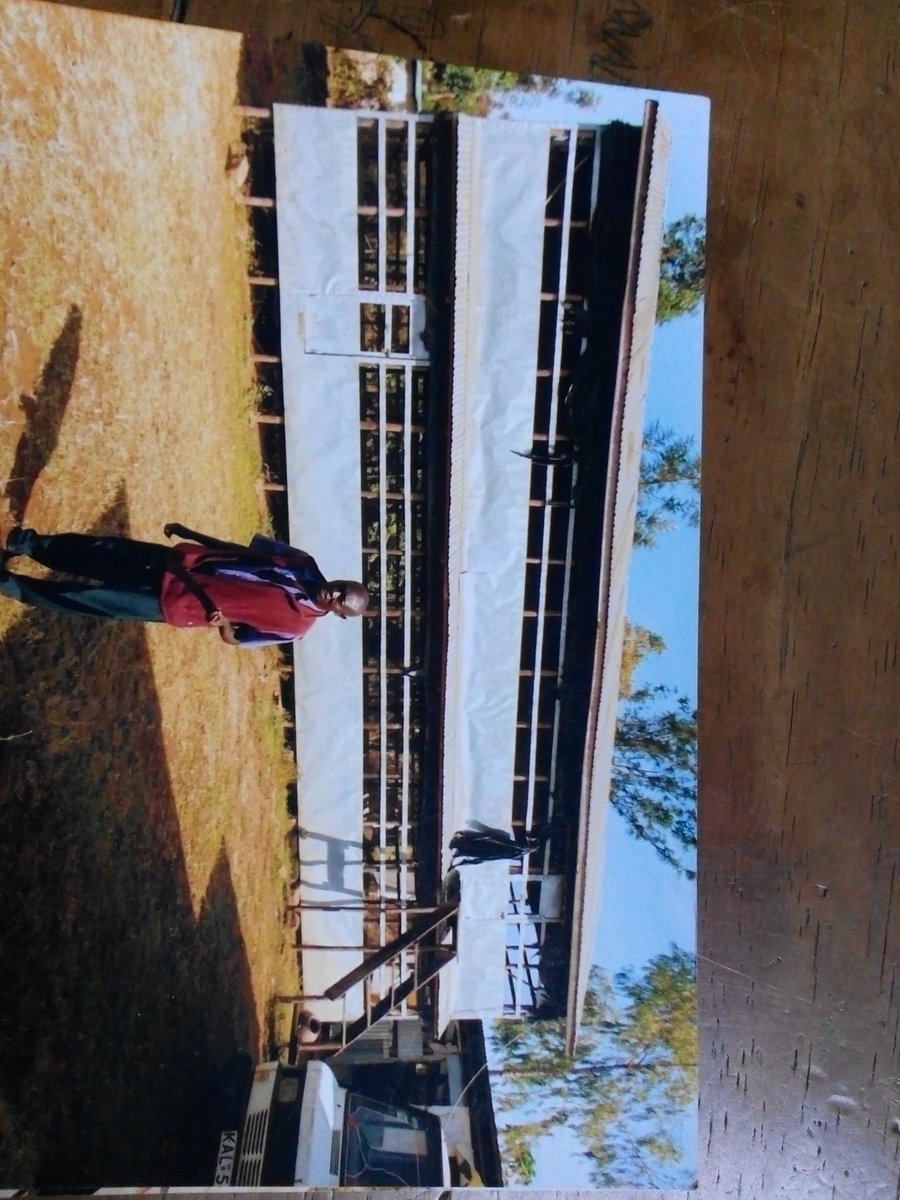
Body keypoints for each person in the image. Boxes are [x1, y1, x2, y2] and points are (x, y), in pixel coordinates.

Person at [0, 523, 368, 646]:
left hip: (174, 604)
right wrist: (190, 533)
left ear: (338, 613)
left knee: (89, 599)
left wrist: (222, 623)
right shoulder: (302, 562)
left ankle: (12, 585)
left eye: (340, 601)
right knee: (95, 552)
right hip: (177, 562)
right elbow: (238, 550)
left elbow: (238, 639)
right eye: (340, 586)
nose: (332, 593)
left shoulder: (295, 628)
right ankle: (25, 542)